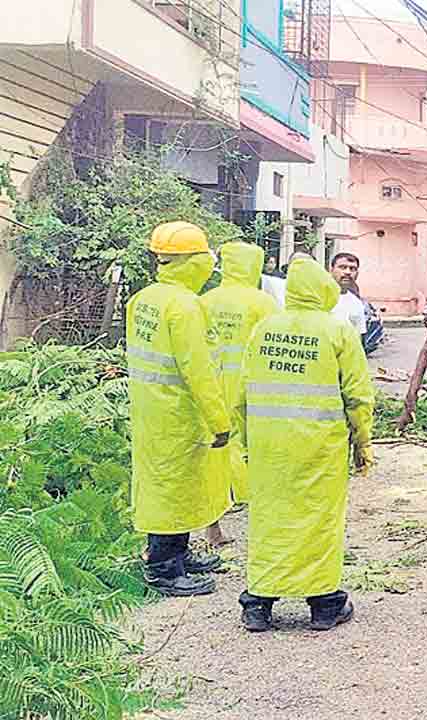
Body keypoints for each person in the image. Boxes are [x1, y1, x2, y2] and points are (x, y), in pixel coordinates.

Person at [238, 256, 375, 632]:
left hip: (269, 447)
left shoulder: (263, 328)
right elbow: (358, 397)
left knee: (269, 520)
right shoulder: (337, 330)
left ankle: (258, 604)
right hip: (319, 447)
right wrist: (363, 444)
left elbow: (242, 392)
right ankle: (323, 605)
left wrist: (247, 439)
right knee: (319, 520)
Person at [127, 221, 232, 597]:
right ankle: (164, 569)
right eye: (205, 256)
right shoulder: (186, 306)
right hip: (178, 413)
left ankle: (178, 555)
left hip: (150, 409)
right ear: (191, 261)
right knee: (173, 487)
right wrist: (219, 421)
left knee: (167, 484)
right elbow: (199, 371)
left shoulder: (144, 299)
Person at [198, 241, 278, 542]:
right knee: (251, 447)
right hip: (251, 386)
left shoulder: (205, 301)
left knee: (216, 447)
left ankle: (213, 520)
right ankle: (251, 505)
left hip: (211, 383)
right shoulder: (264, 303)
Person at [329, 252, 368, 337]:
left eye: (352, 268)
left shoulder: (356, 303)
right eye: (342, 267)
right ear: (331, 270)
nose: (348, 272)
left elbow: (359, 336)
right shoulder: (318, 297)